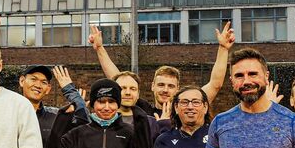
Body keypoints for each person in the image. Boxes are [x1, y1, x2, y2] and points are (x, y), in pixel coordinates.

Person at [87, 21, 234, 124]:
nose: (165, 90)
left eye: (170, 86)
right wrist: (99, 48)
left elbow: (215, 84)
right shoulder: (142, 108)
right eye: (161, 84)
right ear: (152, 86)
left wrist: (223, 49)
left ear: (177, 89)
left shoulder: (188, 106)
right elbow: (118, 80)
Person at [59, 78, 151, 148]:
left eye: (111, 102)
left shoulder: (131, 133)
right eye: (101, 102)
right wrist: (62, 120)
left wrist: (142, 127)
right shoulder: (76, 134)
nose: (106, 107)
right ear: (93, 104)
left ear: (118, 104)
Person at [20, 65, 85, 148]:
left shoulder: (56, 117)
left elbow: (84, 130)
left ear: (48, 88)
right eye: (33, 79)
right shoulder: (8, 113)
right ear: (22, 81)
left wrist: (73, 94)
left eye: (43, 82)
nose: (38, 85)